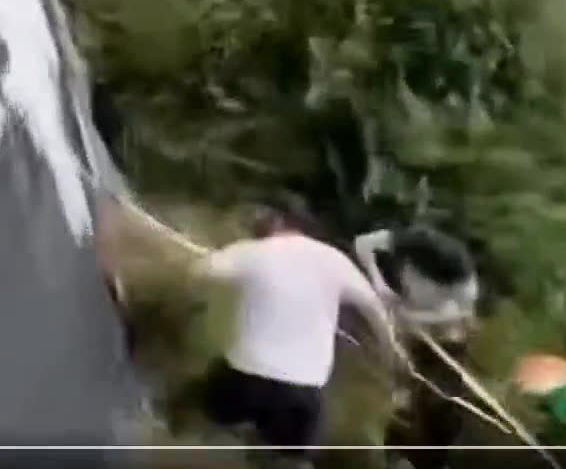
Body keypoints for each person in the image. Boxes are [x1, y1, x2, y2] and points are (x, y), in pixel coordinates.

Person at [190, 195, 401, 454]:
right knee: (289, 458)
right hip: (303, 388)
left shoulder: (252, 250)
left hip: (245, 375)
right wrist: (389, 354)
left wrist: (228, 262)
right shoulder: (335, 260)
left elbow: (199, 272)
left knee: (205, 427)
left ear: (277, 221)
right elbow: (375, 310)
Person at [355, 225, 481, 469]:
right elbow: (363, 243)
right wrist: (378, 282)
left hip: (442, 337)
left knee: (441, 400)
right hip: (404, 330)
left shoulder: (464, 282)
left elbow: (460, 317)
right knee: (398, 395)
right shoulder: (409, 241)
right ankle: (395, 452)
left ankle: (434, 458)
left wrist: (411, 318)